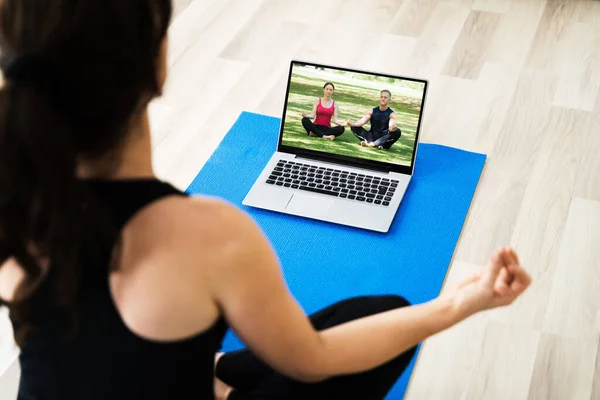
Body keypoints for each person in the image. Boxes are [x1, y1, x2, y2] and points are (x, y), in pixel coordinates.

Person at [0, 1, 532, 400]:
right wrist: (459, 304)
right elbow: (314, 362)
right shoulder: (210, 237)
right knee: (385, 315)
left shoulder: (13, 209)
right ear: (158, 68)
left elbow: (79, 348)